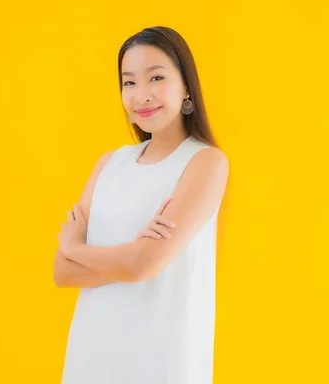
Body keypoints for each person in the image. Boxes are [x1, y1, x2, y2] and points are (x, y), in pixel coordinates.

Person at [54, 26, 229, 384]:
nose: (142, 95)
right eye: (129, 82)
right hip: (94, 351)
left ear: (186, 88)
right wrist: (133, 254)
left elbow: (144, 265)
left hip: (161, 356)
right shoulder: (109, 164)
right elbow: (62, 271)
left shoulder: (205, 162)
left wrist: (78, 249)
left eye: (157, 78)